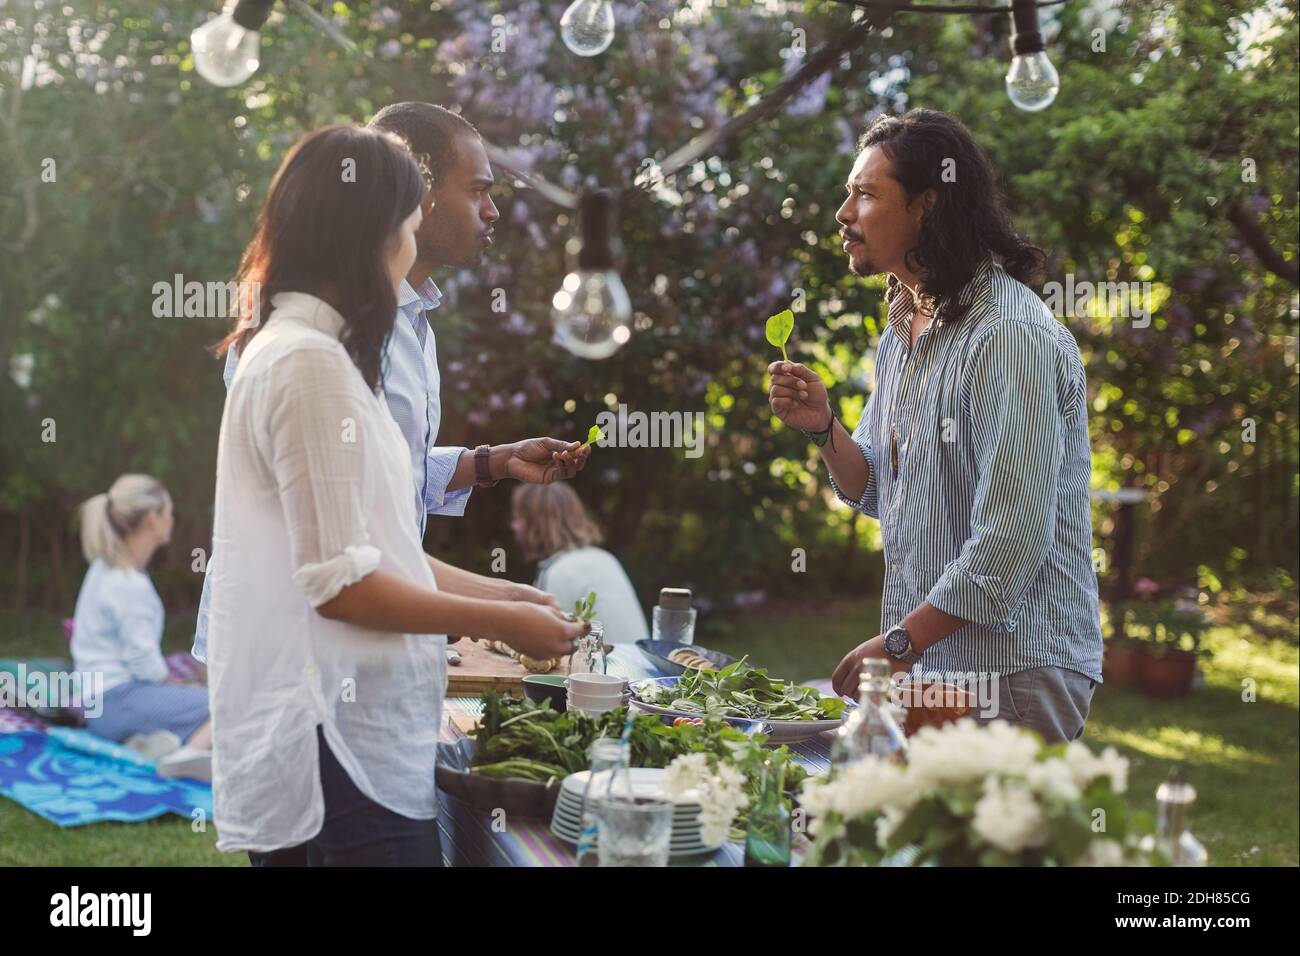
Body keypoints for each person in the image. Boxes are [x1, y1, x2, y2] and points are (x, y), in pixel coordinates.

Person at [205, 125, 587, 865]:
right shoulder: (306, 364)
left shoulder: (323, 355)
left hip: (351, 735)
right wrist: (497, 621)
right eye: (410, 226)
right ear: (374, 234)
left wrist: (512, 601)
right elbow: (340, 585)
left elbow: (380, 547)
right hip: (335, 748)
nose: (413, 248)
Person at [192, 102, 588, 664]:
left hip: (346, 663)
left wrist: (490, 466)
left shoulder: (399, 325)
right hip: (300, 663)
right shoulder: (310, 354)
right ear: (405, 204)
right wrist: (501, 610)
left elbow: (375, 495)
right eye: (476, 190)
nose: (493, 212)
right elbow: (341, 572)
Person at [766, 109, 1103, 744]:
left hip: (1014, 672)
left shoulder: (1008, 336)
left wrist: (898, 642)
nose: (843, 213)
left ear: (926, 205)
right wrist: (823, 429)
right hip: (935, 666)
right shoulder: (903, 328)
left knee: (977, 846)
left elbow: (1010, 541)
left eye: (865, 193)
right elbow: (874, 489)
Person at [72, 474, 212, 779]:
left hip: (96, 705)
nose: (172, 519)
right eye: (169, 512)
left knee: (193, 702)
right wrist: (181, 685)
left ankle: (148, 744)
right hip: (117, 701)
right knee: (226, 705)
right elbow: (146, 667)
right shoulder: (128, 584)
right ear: (152, 518)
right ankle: (187, 757)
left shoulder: (103, 569)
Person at [510, 483, 650, 645]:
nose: (514, 526)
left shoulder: (559, 572)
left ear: (535, 523)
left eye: (517, 518)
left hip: (605, 668)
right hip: (638, 665)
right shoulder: (605, 558)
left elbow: (550, 644)